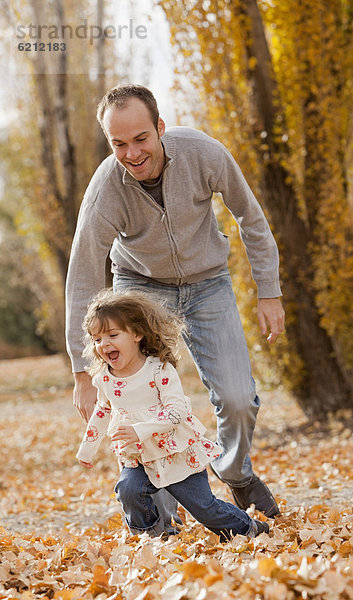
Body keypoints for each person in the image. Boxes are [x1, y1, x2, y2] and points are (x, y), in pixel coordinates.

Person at [66, 83, 285, 535]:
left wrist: (269, 291)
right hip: (141, 288)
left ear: (160, 128)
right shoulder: (106, 188)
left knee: (239, 399)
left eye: (141, 138)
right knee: (140, 402)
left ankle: (236, 473)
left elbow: (250, 215)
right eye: (119, 143)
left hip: (208, 283)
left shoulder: (203, 153)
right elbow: (84, 274)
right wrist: (80, 371)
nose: (132, 152)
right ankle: (159, 518)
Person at [76, 289, 270, 540]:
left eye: (112, 335)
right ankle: (153, 537)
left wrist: (140, 430)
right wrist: (87, 449)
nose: (104, 345)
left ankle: (248, 527)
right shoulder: (104, 378)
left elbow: (177, 412)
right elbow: (102, 410)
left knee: (205, 509)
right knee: (128, 489)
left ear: (137, 334)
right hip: (138, 455)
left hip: (176, 452)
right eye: (97, 339)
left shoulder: (160, 371)